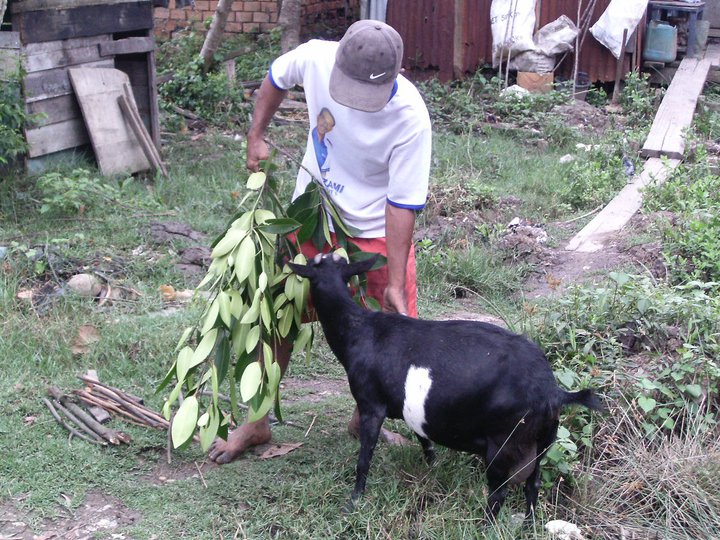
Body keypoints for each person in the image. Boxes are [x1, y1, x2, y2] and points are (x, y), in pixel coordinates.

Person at [208, 19, 432, 464]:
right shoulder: (315, 56)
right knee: (279, 316)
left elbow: (401, 205)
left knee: (392, 324)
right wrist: (256, 134)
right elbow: (275, 78)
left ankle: (364, 415)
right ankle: (256, 421)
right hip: (312, 217)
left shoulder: (411, 118)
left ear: (395, 76)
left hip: (373, 229)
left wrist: (392, 275)